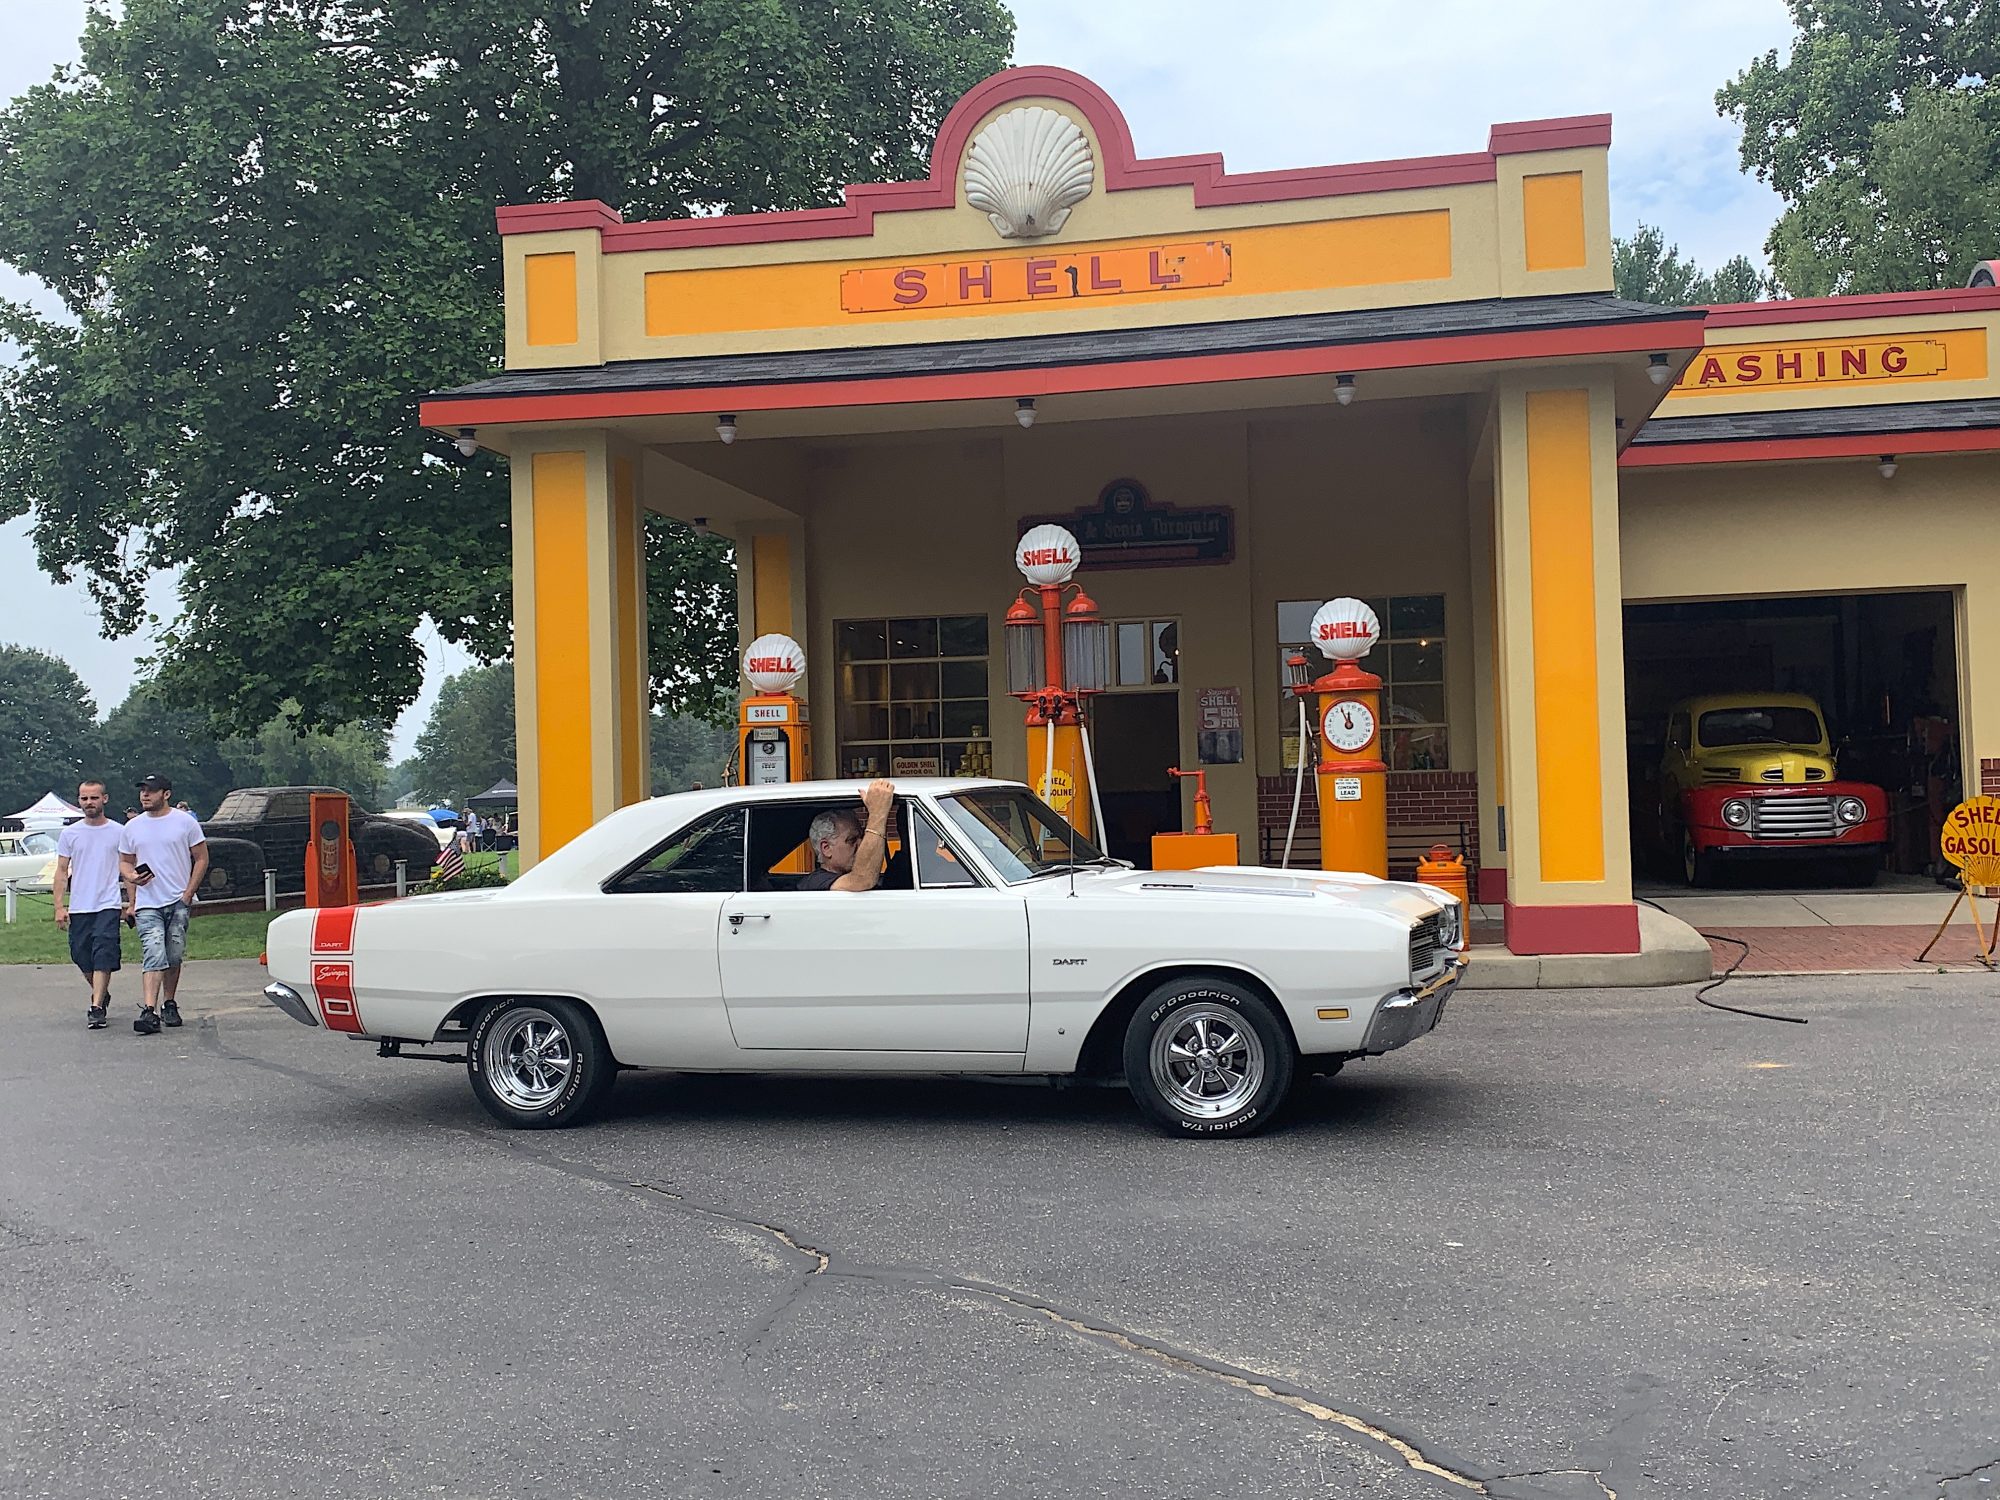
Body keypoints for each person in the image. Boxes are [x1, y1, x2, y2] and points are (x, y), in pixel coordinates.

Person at [118, 772, 209, 1034]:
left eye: (151, 790)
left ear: (166, 794)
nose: (145, 795)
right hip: (148, 901)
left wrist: (188, 893)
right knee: (153, 951)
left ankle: (169, 1002)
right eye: (143, 790)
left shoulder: (184, 823)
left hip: (177, 898)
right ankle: (149, 1010)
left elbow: (201, 857)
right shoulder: (132, 827)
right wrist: (132, 876)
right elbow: (125, 861)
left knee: (173, 953)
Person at [52, 780, 133, 1029]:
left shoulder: (119, 832)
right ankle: (101, 992)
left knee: (103, 952)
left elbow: (128, 868)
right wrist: (59, 906)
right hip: (80, 905)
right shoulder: (70, 834)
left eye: (94, 798)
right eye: (85, 798)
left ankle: (96, 1007)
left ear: (104, 799)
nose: (89, 803)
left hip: (107, 903)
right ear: (79, 801)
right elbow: (62, 871)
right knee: (81, 955)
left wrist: (132, 903)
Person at [797, 780, 895, 892]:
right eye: (852, 840)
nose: (861, 844)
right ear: (826, 848)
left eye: (862, 837)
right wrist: (877, 814)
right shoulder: (816, 882)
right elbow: (862, 880)